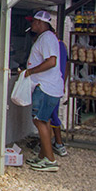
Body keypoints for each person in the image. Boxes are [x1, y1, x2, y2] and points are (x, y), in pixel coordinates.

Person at [22, 10, 64, 172]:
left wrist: (31, 71)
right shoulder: (48, 38)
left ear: (40, 23)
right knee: (44, 120)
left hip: (46, 87)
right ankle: (43, 156)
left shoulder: (46, 38)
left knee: (39, 120)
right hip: (49, 86)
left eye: (33, 22)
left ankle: (50, 160)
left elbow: (51, 61)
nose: (31, 25)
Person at [49, 37, 69, 157]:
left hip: (52, 86)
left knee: (51, 114)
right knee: (50, 114)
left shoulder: (55, 46)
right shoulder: (62, 46)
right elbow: (66, 67)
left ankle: (58, 143)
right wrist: (63, 82)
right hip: (57, 84)